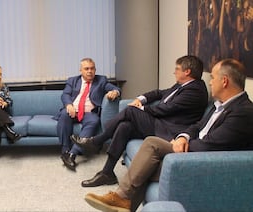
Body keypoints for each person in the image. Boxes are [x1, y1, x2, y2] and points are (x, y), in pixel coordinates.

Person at [83, 58, 253, 212]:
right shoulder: (221, 104)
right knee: (130, 130)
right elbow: (197, 126)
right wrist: (183, 137)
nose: (210, 83)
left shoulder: (243, 111)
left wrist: (180, 145)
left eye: (213, 78)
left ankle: (119, 192)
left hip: (202, 159)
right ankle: (121, 197)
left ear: (224, 81)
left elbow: (211, 144)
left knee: (150, 144)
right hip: (187, 142)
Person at [71, 55, 209, 187]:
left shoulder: (195, 90)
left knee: (131, 111)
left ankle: (97, 141)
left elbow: (166, 109)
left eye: (177, 69)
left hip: (169, 130)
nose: (174, 72)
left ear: (187, 71)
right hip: (160, 122)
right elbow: (159, 93)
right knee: (125, 126)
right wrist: (140, 99)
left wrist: (141, 108)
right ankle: (107, 172)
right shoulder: (182, 85)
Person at [56, 58, 121, 171]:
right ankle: (65, 151)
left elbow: (116, 88)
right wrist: (68, 105)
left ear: (95, 70)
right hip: (73, 110)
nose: (89, 71)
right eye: (86, 69)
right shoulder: (72, 81)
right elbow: (65, 95)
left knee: (94, 120)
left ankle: (72, 154)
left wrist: (115, 92)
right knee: (64, 115)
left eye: (92, 68)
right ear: (81, 70)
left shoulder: (101, 80)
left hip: (89, 113)